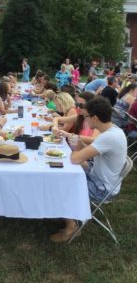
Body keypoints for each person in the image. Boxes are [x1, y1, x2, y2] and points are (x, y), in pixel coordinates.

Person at [50, 96, 127, 243]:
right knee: (60, 173)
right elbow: (86, 154)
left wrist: (75, 148)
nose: (85, 121)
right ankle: (69, 212)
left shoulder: (108, 137)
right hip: (100, 175)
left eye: (86, 117)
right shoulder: (112, 130)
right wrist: (76, 142)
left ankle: (72, 227)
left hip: (102, 187)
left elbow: (75, 158)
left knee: (60, 183)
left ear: (95, 117)